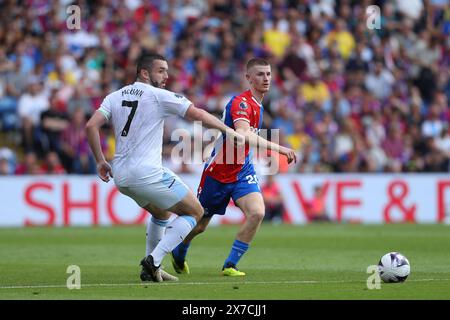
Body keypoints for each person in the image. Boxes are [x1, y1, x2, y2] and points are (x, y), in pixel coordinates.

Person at [85, 53, 245, 283]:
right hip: (147, 172)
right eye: (161, 70)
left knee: (160, 213)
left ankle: (152, 271)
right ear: (144, 73)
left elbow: (91, 126)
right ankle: (154, 260)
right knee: (196, 213)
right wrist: (228, 131)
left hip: (120, 176)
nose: (166, 75)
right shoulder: (157, 95)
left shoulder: (114, 96)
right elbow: (197, 114)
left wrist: (100, 160)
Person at [171, 58, 297, 277]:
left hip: (242, 169)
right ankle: (179, 249)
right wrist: (280, 148)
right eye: (260, 74)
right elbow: (243, 134)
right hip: (219, 171)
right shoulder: (241, 103)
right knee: (200, 225)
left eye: (268, 74)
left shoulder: (258, 104)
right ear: (248, 78)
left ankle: (230, 264)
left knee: (257, 212)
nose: (265, 78)